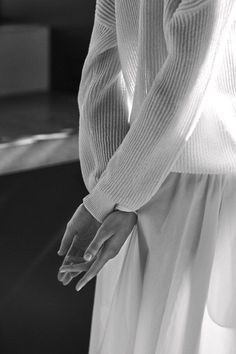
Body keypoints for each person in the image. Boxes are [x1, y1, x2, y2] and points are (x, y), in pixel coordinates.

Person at [57, 0, 236, 353]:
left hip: (133, 195)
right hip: (201, 195)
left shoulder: (117, 198)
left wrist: (106, 195)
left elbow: (99, 75)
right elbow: (181, 86)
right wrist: (109, 197)